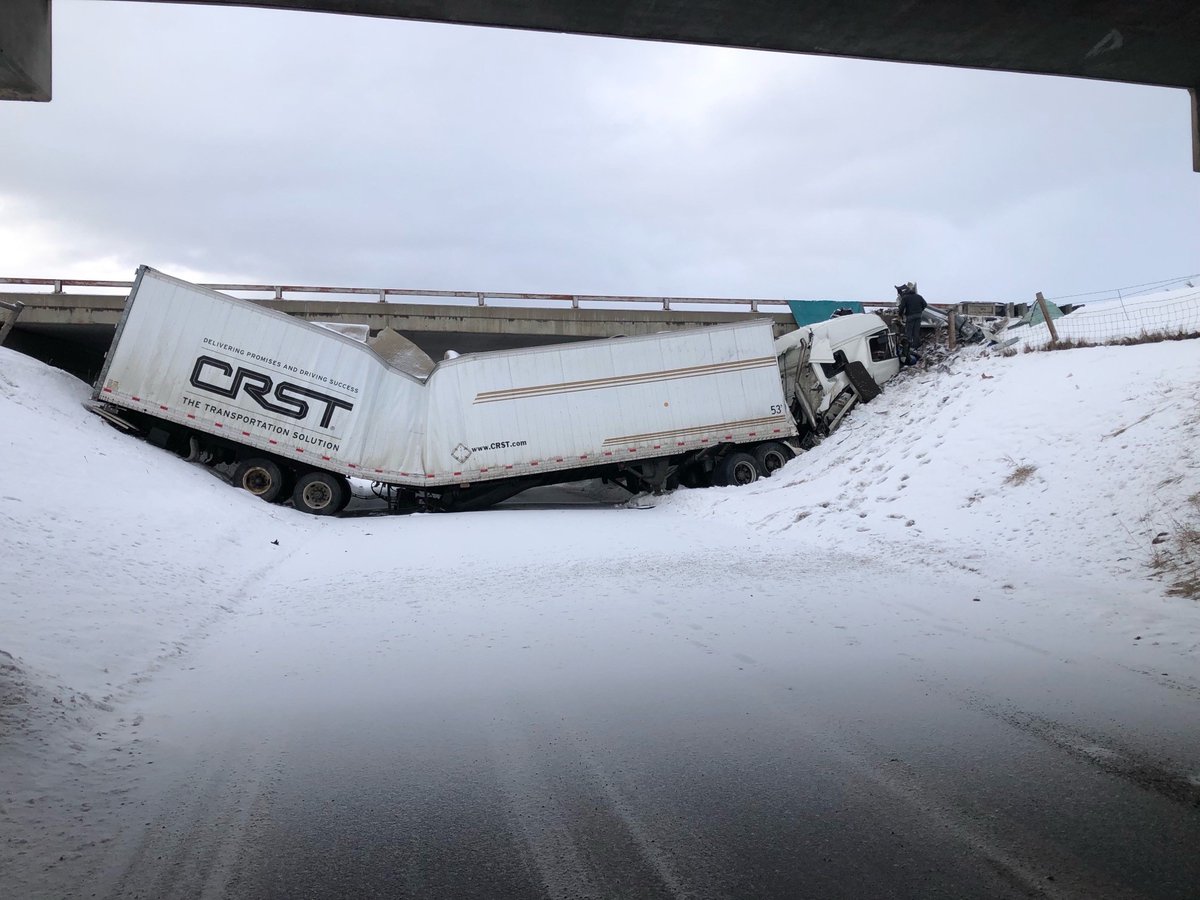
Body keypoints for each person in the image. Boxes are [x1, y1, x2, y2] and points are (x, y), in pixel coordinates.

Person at [895, 281, 927, 352]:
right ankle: (917, 347)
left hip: (910, 316)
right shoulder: (919, 297)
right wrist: (920, 311)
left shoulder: (905, 298)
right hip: (918, 316)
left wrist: (900, 315)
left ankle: (908, 348)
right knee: (916, 332)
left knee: (909, 332)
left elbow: (902, 308)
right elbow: (925, 304)